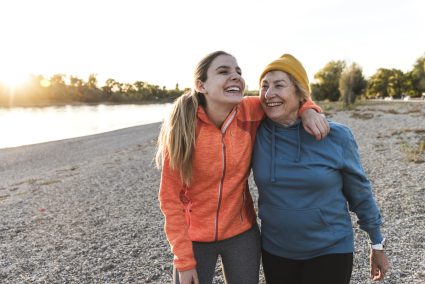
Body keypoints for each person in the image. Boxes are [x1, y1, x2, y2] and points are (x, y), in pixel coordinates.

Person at [156, 51, 329, 284]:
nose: (235, 76)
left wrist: (308, 110)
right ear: (201, 85)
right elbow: (170, 200)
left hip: (241, 233)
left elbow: (285, 98)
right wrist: (183, 260)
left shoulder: (250, 111)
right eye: (224, 71)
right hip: (194, 237)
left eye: (238, 71)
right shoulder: (183, 129)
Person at [252, 53, 390, 284]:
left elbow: (360, 193)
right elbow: (218, 104)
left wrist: (376, 243)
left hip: (331, 249)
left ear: (299, 92)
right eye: (264, 86)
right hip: (276, 250)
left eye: (279, 85)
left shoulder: (336, 136)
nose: (268, 94)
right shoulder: (254, 132)